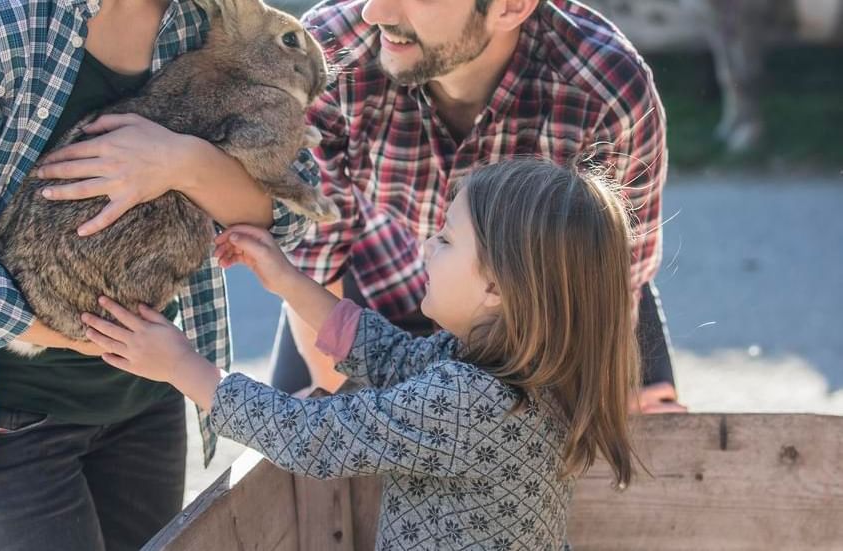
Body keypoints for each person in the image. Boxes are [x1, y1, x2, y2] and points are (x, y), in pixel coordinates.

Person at [0, 0, 315, 549]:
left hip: (148, 401)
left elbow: (293, 215)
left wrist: (181, 162)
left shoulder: (208, 19)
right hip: (7, 421)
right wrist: (75, 336)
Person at [83, 158, 641, 550]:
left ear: (498, 287)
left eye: (445, 240)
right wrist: (285, 280)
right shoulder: (519, 375)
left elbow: (311, 437)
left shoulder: (473, 401)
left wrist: (182, 365)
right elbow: (389, 355)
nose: (425, 246)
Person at [271, 0, 686, 413]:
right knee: (301, 445)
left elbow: (609, 290)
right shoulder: (325, 52)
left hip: (539, 318)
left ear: (511, 7)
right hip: (369, 298)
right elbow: (315, 263)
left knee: (639, 438)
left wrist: (574, 415)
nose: (374, 13)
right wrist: (346, 412)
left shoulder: (606, 88)